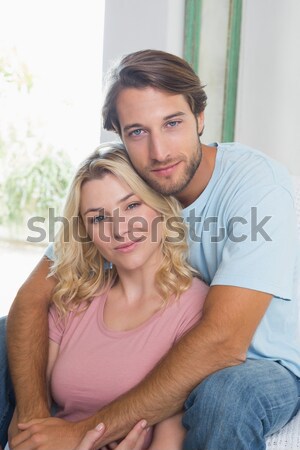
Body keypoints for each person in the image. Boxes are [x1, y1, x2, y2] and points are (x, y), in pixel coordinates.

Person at [1, 49, 300, 450]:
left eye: (172, 123)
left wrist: (79, 434)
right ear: (120, 134)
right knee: (6, 334)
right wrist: (34, 421)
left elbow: (222, 343)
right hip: (183, 330)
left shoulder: (257, 188)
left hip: (269, 361)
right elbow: (32, 299)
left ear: (199, 116)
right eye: (138, 132)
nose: (159, 152)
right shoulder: (129, 181)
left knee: (227, 395)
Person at [4, 144, 208, 450]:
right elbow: (27, 423)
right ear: (86, 232)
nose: (119, 229)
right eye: (99, 219)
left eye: (131, 206)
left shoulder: (195, 307)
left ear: (159, 207)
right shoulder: (74, 299)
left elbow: (170, 440)